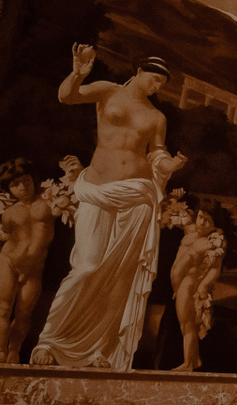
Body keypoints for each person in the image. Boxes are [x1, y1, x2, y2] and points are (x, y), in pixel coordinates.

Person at [32, 47, 180, 370]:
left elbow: (157, 151)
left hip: (137, 196)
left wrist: (169, 164)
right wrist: (78, 73)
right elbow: (66, 97)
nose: (156, 86)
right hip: (99, 189)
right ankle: (50, 340)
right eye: (154, 79)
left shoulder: (157, 117)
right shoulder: (107, 91)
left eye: (161, 84)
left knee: (119, 278)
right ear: (139, 71)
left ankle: (103, 350)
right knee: (86, 265)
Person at [0, 168, 57, 363]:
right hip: (9, 261)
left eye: (26, 181)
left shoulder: (49, 203)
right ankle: (0, 351)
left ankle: (14, 350)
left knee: (24, 314)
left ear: (33, 179)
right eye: (15, 185)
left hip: (34, 268)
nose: (23, 187)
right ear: (9, 189)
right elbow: (7, 235)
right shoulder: (9, 212)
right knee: (3, 309)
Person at [170, 208, 224, 374]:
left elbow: (215, 268)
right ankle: (194, 359)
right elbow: (176, 217)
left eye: (208, 220)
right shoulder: (192, 231)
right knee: (184, 324)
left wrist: (204, 285)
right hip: (179, 285)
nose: (202, 222)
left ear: (214, 225)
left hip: (189, 284)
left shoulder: (212, 242)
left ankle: (188, 364)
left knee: (187, 325)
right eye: (200, 217)